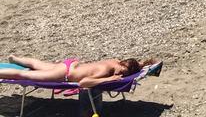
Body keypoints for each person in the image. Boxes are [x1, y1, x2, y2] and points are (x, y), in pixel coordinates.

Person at [0, 56, 152, 87]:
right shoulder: (109, 69)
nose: (119, 74)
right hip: (64, 74)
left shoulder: (115, 60)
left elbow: (136, 64)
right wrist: (107, 79)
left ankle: (15, 58)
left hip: (70, 64)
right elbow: (83, 83)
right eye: (122, 72)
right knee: (24, 75)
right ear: (123, 67)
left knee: (38, 64)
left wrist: (142, 65)